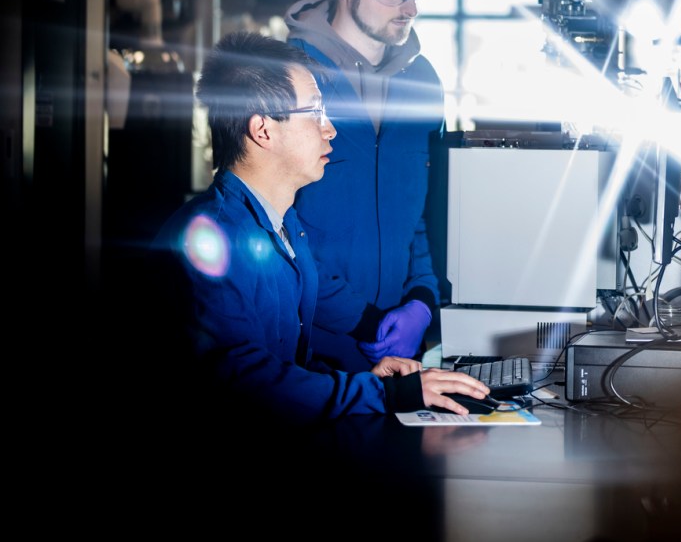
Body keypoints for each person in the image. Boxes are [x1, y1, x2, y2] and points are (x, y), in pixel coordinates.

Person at [150, 30, 490, 431]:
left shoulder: (283, 225)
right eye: (313, 113)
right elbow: (246, 380)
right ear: (263, 130)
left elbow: (286, 363)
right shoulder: (211, 238)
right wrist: (387, 394)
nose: (329, 130)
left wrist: (363, 380)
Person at [284, 0, 444, 371]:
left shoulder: (424, 83)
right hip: (311, 358)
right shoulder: (290, 79)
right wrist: (364, 320)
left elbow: (416, 216)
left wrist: (420, 302)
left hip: (402, 360)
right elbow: (275, 229)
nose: (410, 7)